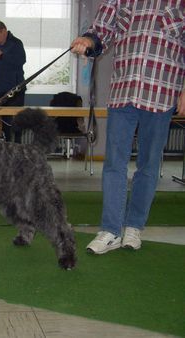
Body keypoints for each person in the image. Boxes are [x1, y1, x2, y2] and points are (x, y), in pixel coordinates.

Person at [70, 1, 185, 254]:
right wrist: (88, 41)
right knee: (114, 164)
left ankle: (134, 227)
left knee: (149, 165)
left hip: (161, 92)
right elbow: (102, 30)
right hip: (123, 91)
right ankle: (110, 230)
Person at [0, 20, 26, 142]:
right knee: (5, 125)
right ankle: (7, 153)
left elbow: (21, 61)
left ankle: (18, 152)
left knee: (16, 124)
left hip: (16, 90)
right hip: (2, 90)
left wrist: (3, 56)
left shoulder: (16, 43)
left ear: (4, 30)